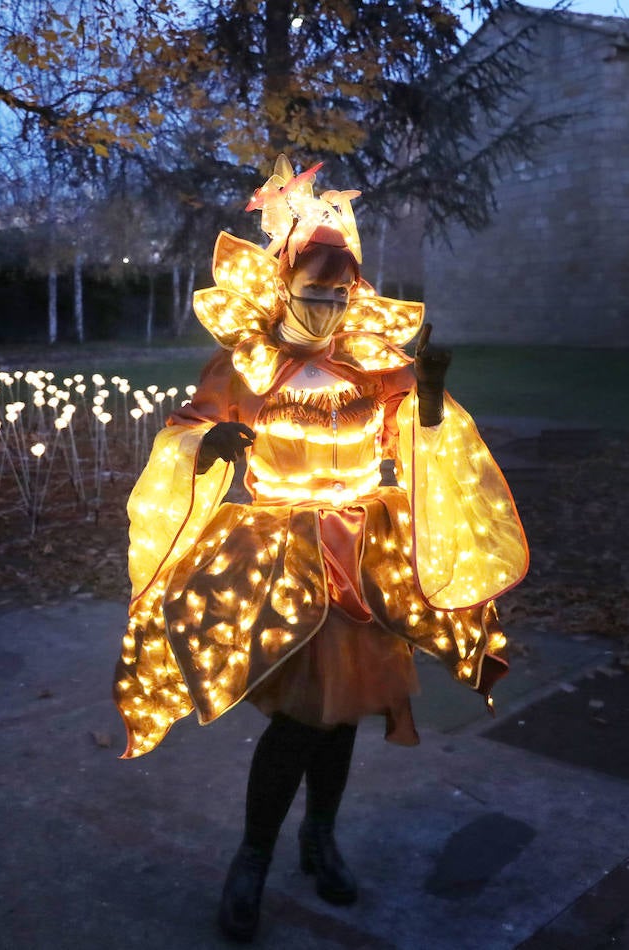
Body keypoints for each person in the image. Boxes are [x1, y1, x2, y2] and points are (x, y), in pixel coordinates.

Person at [112, 157, 528, 942]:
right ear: (283, 285)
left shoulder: (373, 369)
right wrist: (210, 441)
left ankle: (318, 838)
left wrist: (429, 393)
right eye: (314, 293)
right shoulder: (246, 365)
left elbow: (426, 443)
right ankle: (255, 856)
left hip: (364, 557)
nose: (328, 308)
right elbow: (185, 429)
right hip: (280, 561)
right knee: (302, 720)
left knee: (342, 718)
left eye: (340, 295)